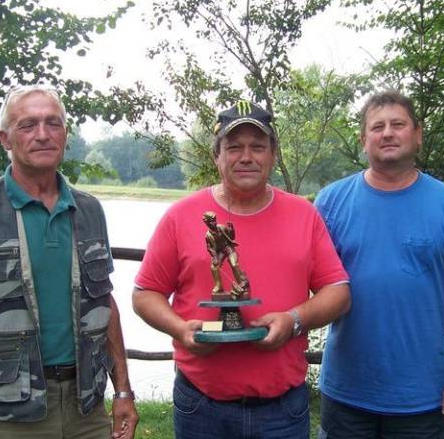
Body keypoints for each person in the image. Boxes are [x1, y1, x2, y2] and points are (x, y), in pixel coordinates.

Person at [132, 101, 351, 438]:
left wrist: (293, 320)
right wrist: (182, 330)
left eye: (257, 147)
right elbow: (145, 293)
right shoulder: (180, 215)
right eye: (234, 147)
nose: (246, 157)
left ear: (273, 155)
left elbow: (338, 292)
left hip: (282, 410)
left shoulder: (303, 215)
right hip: (201, 406)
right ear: (216, 156)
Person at [0, 84, 138, 439]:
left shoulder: (89, 211)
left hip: (86, 409)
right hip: (7, 413)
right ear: (5, 139)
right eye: (27, 125)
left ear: (65, 135)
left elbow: (104, 305)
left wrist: (122, 391)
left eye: (53, 123)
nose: (43, 134)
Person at [314, 90, 444, 438]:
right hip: (345, 393)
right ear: (363, 140)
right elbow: (302, 281)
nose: (388, 133)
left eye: (398, 124)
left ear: (417, 134)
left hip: (421, 397)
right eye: (377, 127)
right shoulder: (330, 202)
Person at [203, 211, 249, 298]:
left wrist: (231, 229)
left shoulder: (222, 227)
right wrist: (215, 257)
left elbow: (232, 237)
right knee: (214, 267)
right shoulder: (208, 235)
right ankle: (218, 286)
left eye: (214, 220)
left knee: (234, 264)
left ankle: (241, 283)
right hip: (220, 251)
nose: (214, 223)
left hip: (228, 248)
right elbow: (210, 248)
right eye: (211, 222)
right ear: (206, 223)